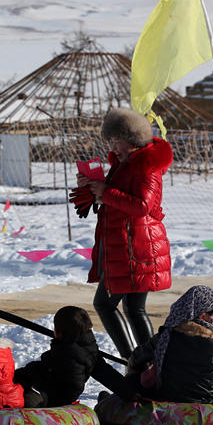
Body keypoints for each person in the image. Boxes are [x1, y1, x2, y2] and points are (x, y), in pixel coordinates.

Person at [72, 107, 173, 360]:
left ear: (132, 139)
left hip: (134, 246)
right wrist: (92, 188)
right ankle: (150, 362)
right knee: (133, 307)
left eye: (116, 141)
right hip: (128, 243)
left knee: (105, 304)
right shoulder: (124, 164)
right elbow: (118, 198)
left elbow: (142, 206)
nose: (113, 147)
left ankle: (134, 360)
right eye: (111, 142)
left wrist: (104, 192)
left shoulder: (146, 167)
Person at [126, 285, 213, 404]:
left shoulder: (166, 335)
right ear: (203, 316)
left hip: (166, 402)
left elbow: (136, 358)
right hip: (203, 407)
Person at [13, 306, 101, 408]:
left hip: (51, 400)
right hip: (57, 392)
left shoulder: (66, 351)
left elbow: (69, 384)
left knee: (20, 389)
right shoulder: (88, 347)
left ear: (59, 332)